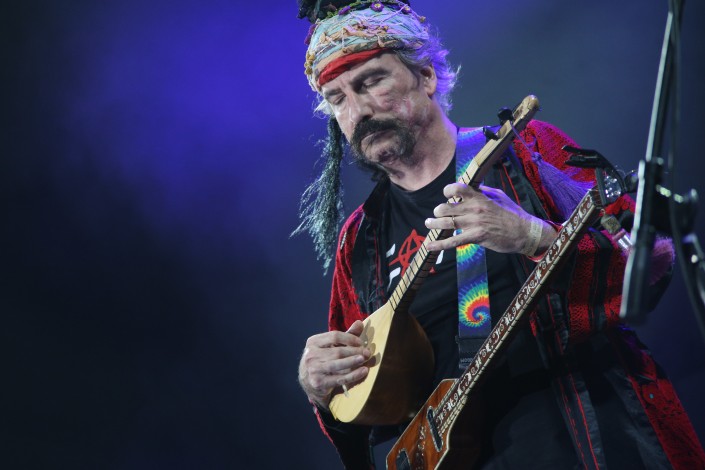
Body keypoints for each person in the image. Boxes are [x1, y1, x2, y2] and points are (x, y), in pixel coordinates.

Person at [294, 1, 705, 468]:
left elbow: (653, 264)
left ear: (426, 76)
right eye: (338, 98)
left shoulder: (525, 151)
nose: (358, 110)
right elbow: (370, 410)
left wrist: (533, 236)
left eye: (371, 81)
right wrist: (323, 387)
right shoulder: (360, 240)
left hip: (596, 445)